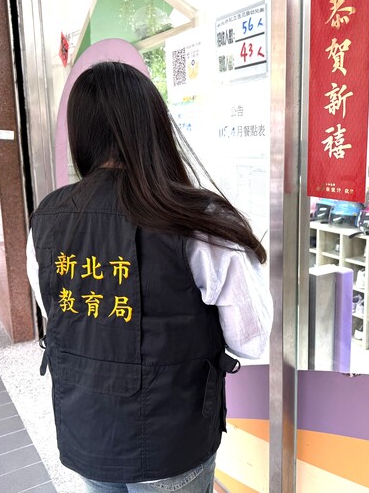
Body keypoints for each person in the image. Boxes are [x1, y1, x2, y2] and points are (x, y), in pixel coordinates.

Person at [26, 60, 272, 492]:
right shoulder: (198, 220)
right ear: (156, 126)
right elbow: (249, 340)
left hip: (87, 432)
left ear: (79, 132)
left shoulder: (47, 216)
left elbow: (59, 313)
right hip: (171, 443)